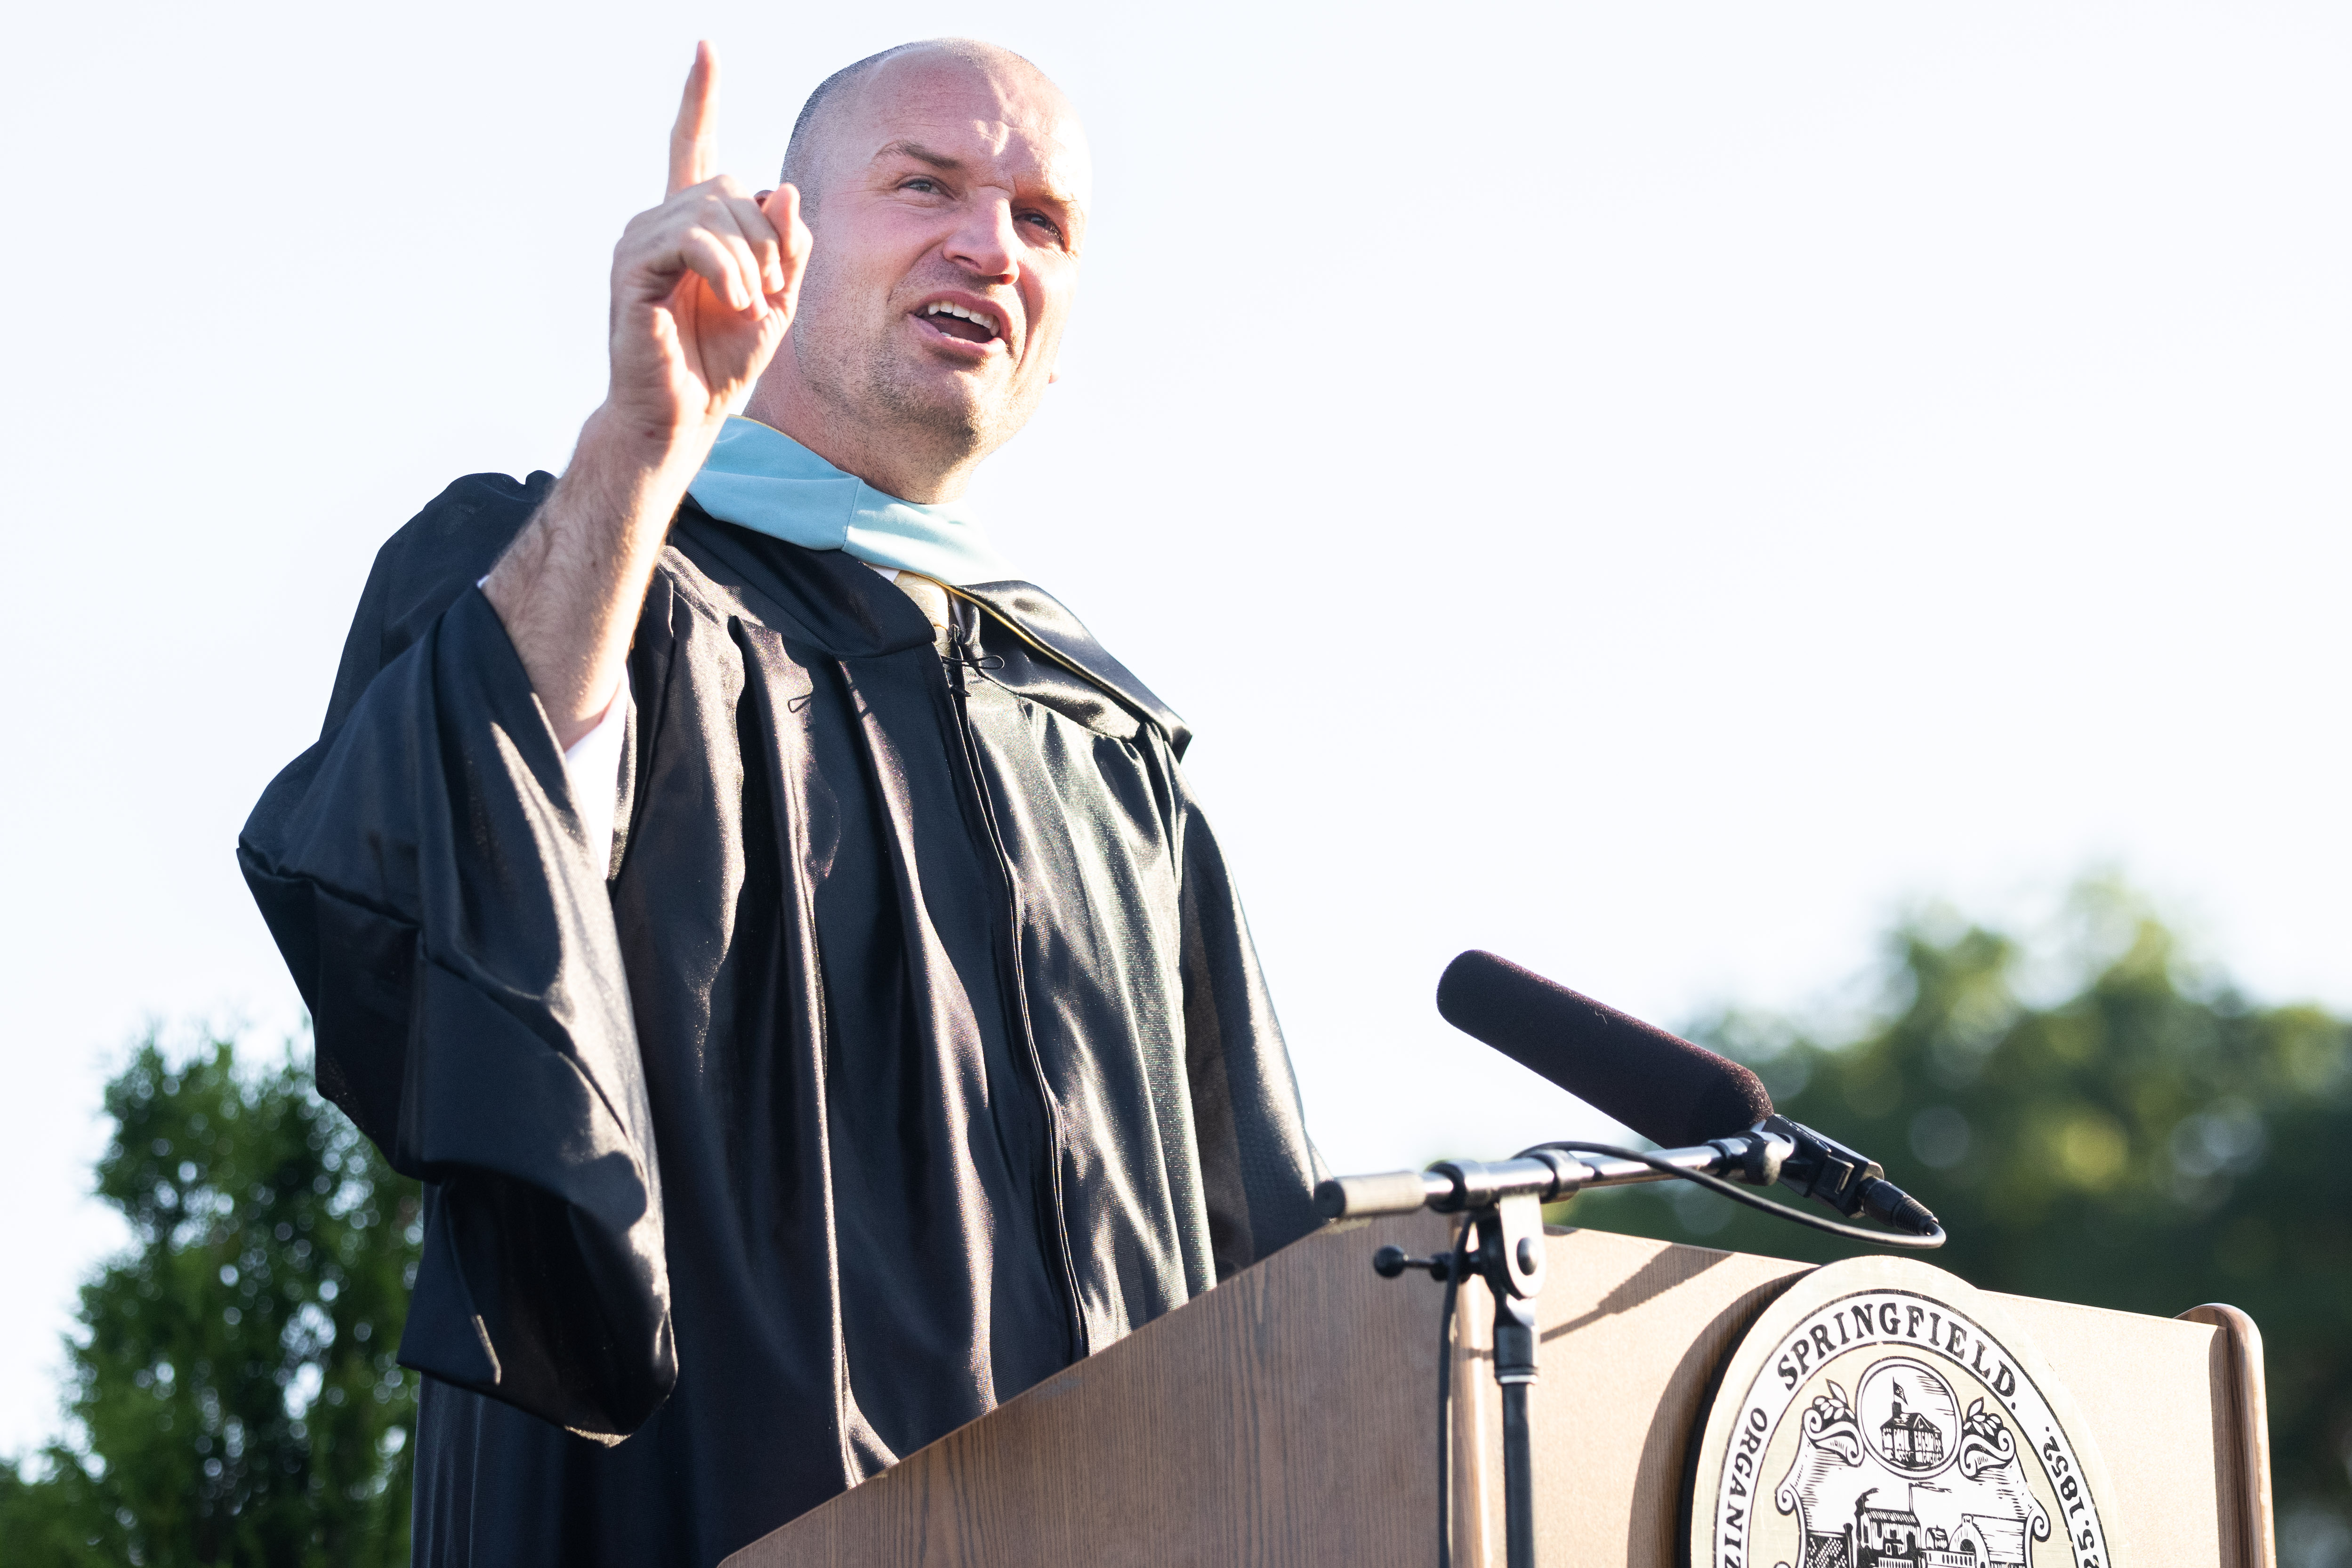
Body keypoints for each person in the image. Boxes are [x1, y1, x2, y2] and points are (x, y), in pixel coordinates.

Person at [238, 37, 1322, 1568]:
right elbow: (461, 871)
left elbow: (1265, 1282)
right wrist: (637, 451)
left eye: (1042, 221)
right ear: (780, 241)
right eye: (925, 185)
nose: (986, 244)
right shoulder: (588, 578)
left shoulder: (1108, 751)